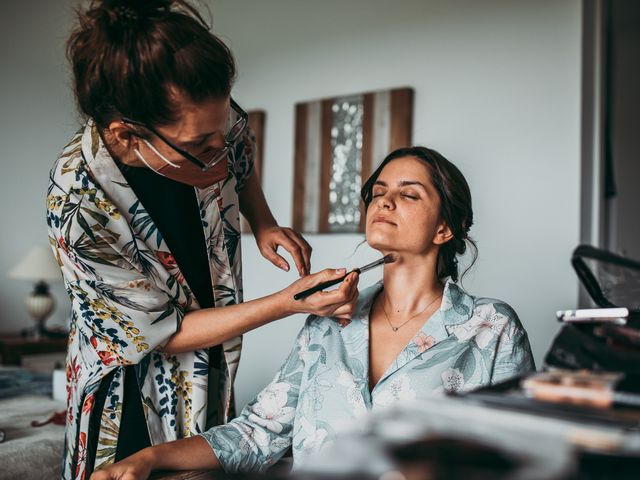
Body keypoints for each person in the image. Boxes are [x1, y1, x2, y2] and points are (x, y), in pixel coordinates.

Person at [46, 1, 358, 478]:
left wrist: (264, 220)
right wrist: (288, 303)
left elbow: (238, 154)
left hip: (213, 351)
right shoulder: (77, 206)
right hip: (130, 382)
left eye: (223, 131)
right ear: (127, 135)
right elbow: (165, 334)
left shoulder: (210, 117)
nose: (220, 150)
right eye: (199, 147)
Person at [91, 146, 535, 479]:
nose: (384, 202)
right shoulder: (326, 324)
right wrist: (147, 458)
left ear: (445, 227)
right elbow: (256, 432)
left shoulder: (491, 327)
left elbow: (524, 455)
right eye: (378, 192)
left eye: (409, 194)